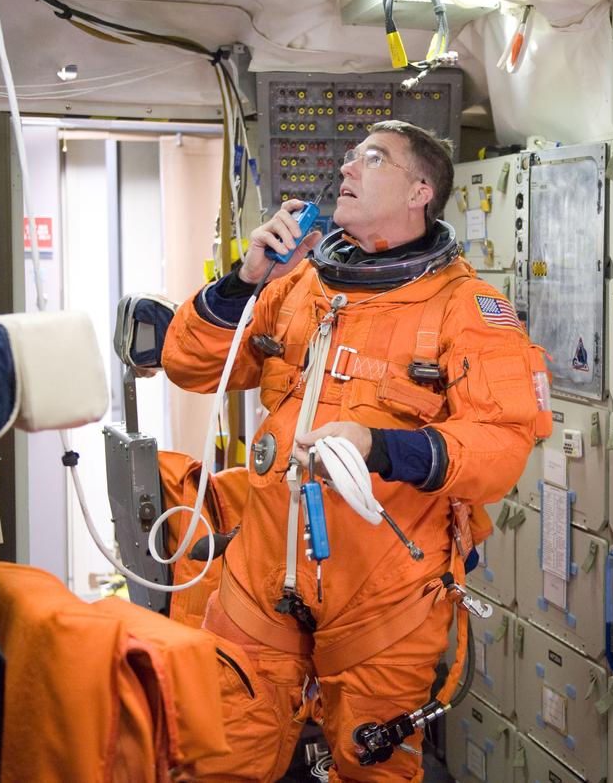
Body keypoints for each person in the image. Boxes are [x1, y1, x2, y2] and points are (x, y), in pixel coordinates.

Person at [162, 120, 551, 782]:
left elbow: (501, 446)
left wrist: (380, 447)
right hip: (261, 579)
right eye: (346, 158)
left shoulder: (467, 309)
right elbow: (189, 363)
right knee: (215, 759)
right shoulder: (299, 289)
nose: (346, 169)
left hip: (384, 598)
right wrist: (244, 277)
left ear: (418, 191)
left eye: (371, 159)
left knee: (373, 772)